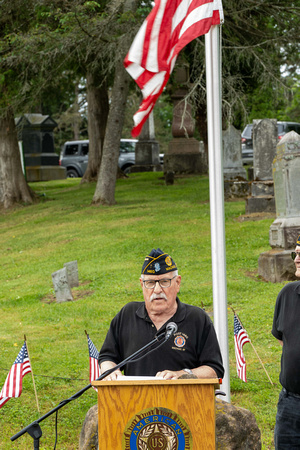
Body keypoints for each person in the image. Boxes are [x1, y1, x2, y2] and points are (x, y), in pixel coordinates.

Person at [98, 248, 224, 381]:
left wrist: (182, 374)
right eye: (150, 283)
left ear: (177, 283)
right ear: (142, 284)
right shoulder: (127, 314)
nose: (157, 290)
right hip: (134, 400)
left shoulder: (197, 318)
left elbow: (214, 370)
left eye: (164, 281)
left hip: (184, 400)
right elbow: (107, 357)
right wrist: (110, 371)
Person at [272, 234, 300, 448]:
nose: (297, 260)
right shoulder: (287, 294)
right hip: (290, 405)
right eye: (296, 254)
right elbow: (285, 342)